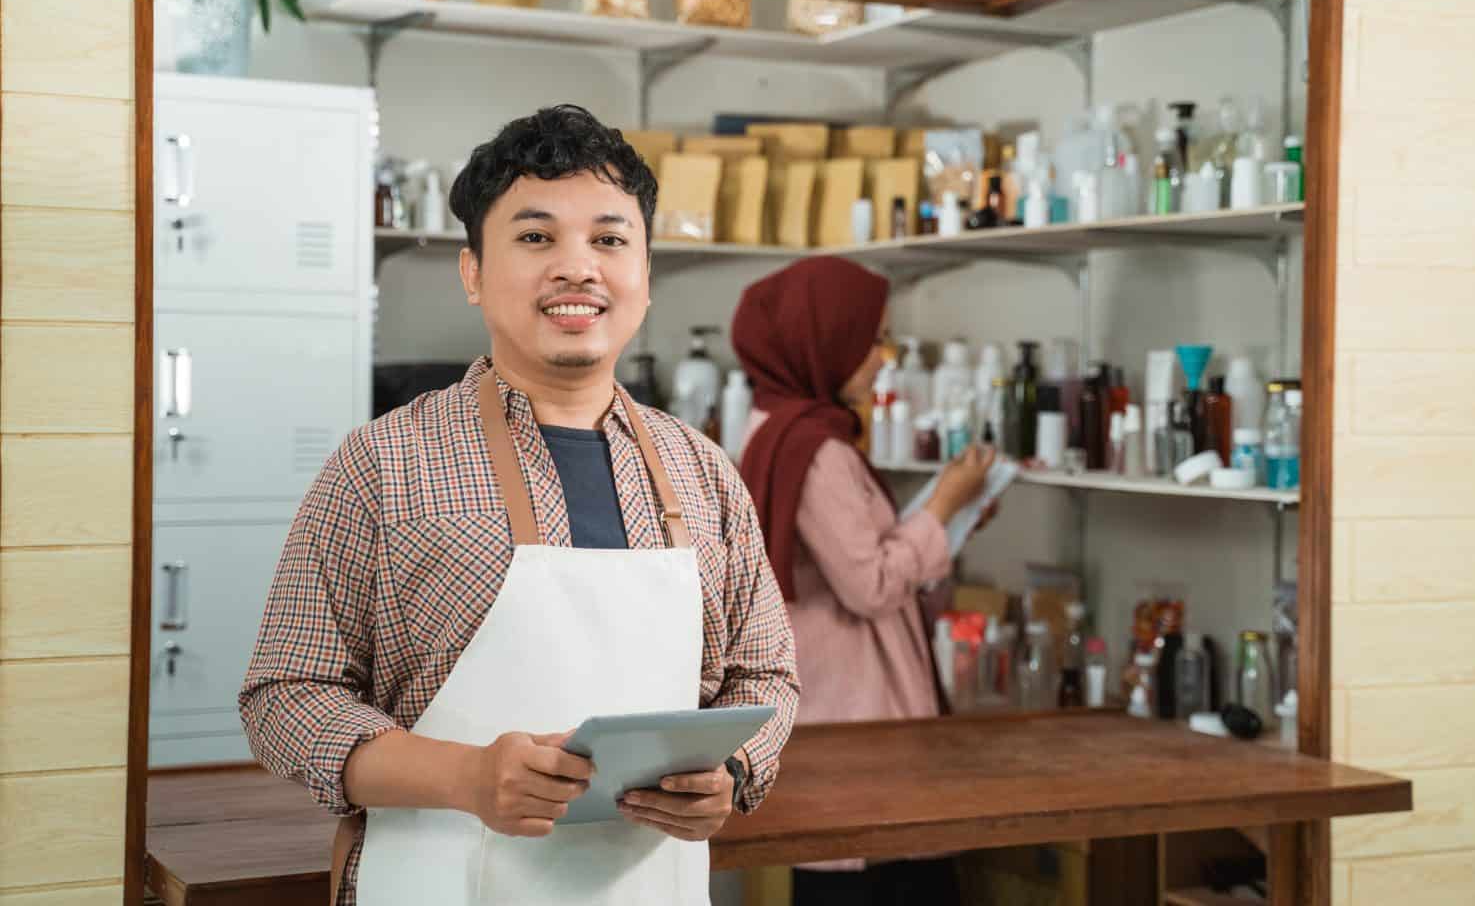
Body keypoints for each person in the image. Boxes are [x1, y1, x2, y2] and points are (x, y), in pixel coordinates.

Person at [240, 105, 799, 906]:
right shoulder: (381, 465)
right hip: (434, 880)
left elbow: (766, 674)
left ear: (645, 273)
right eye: (536, 238)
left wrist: (733, 772)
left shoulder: (703, 472)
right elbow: (285, 696)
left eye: (609, 240)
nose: (578, 268)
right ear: (472, 272)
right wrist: (468, 776)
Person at [731, 258, 995, 906]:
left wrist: (950, 520)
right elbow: (871, 584)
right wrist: (941, 509)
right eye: (872, 339)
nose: (884, 358)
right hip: (862, 714)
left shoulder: (782, 428)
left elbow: (854, 556)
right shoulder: (816, 450)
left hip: (840, 707)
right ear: (826, 340)